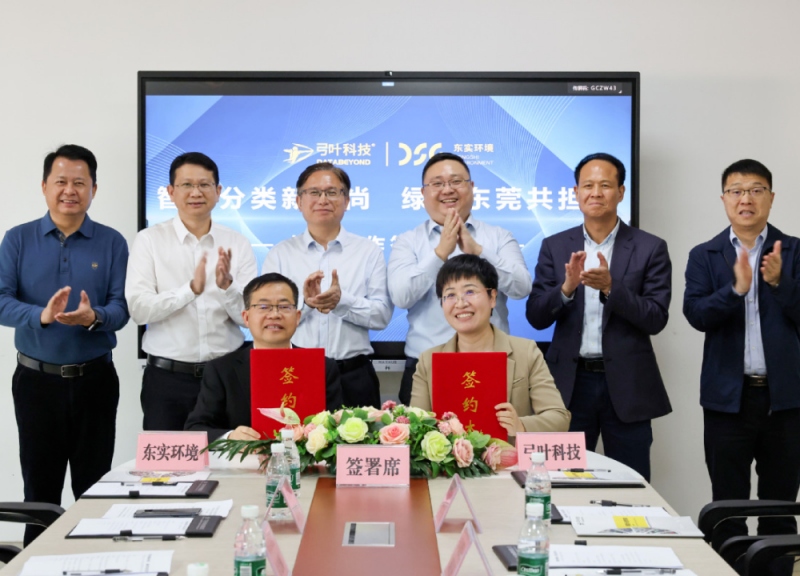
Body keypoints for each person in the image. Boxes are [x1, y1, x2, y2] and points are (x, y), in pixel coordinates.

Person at [0, 144, 129, 544]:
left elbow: (122, 308)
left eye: (79, 182)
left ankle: (95, 563)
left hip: (95, 381)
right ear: (44, 187)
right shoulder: (18, 239)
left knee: (95, 489)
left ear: (94, 189)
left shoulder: (112, 242)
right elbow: (1, 302)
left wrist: (95, 317)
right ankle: (37, 566)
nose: (69, 190)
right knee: (40, 490)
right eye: (60, 181)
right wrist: (40, 315)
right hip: (36, 383)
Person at [684, 159, 800, 574]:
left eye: (755, 190)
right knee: (727, 510)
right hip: (726, 401)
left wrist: (780, 284)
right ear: (724, 199)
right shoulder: (705, 255)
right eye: (736, 191)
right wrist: (735, 290)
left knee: (779, 509)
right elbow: (696, 315)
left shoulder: (795, 251)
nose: (745, 199)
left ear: (770, 197)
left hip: (785, 402)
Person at [526, 152, 671, 481]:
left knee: (630, 484)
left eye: (605, 185)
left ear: (620, 192)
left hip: (627, 384)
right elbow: (536, 316)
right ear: (575, 192)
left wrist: (611, 288)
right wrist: (566, 288)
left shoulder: (650, 247)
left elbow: (656, 318)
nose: (595, 192)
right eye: (587, 185)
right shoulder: (554, 246)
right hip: (569, 385)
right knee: (561, 481)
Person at [126, 152, 258, 431]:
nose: (196, 192)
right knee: (168, 459)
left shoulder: (237, 243)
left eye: (204, 185)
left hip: (226, 376)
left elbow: (249, 319)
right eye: (186, 185)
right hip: (168, 380)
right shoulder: (149, 240)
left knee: (233, 455)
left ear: (218, 191)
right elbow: (138, 310)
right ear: (171, 192)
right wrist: (189, 291)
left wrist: (228, 288)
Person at [388, 152, 532, 406]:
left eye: (456, 181)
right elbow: (401, 297)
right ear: (423, 193)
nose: (447, 190)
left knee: (498, 433)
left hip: (492, 364)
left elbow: (522, 288)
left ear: (471, 187)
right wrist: (439, 254)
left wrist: (479, 251)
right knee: (424, 433)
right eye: (437, 183)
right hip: (426, 366)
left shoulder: (499, 237)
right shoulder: (407, 241)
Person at [262, 162, 392, 408]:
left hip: (354, 376)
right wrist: (306, 304)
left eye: (332, 192)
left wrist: (341, 302)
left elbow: (382, 316)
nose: (323, 199)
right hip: (296, 373)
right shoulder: (280, 255)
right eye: (314, 192)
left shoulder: (368, 251)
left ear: (346, 200)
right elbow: (267, 320)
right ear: (299, 201)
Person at [410, 255, 569, 435]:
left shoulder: (525, 352)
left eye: (470, 292)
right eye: (451, 295)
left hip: (510, 452)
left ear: (492, 297)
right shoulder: (428, 361)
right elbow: (417, 427)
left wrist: (521, 425)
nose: (461, 303)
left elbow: (559, 417)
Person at [185, 273, 343, 441]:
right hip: (244, 458)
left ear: (297, 317)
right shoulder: (221, 370)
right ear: (246, 318)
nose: (274, 315)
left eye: (284, 306)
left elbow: (337, 427)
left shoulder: (321, 367)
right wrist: (230, 436)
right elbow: (196, 428)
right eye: (263, 306)